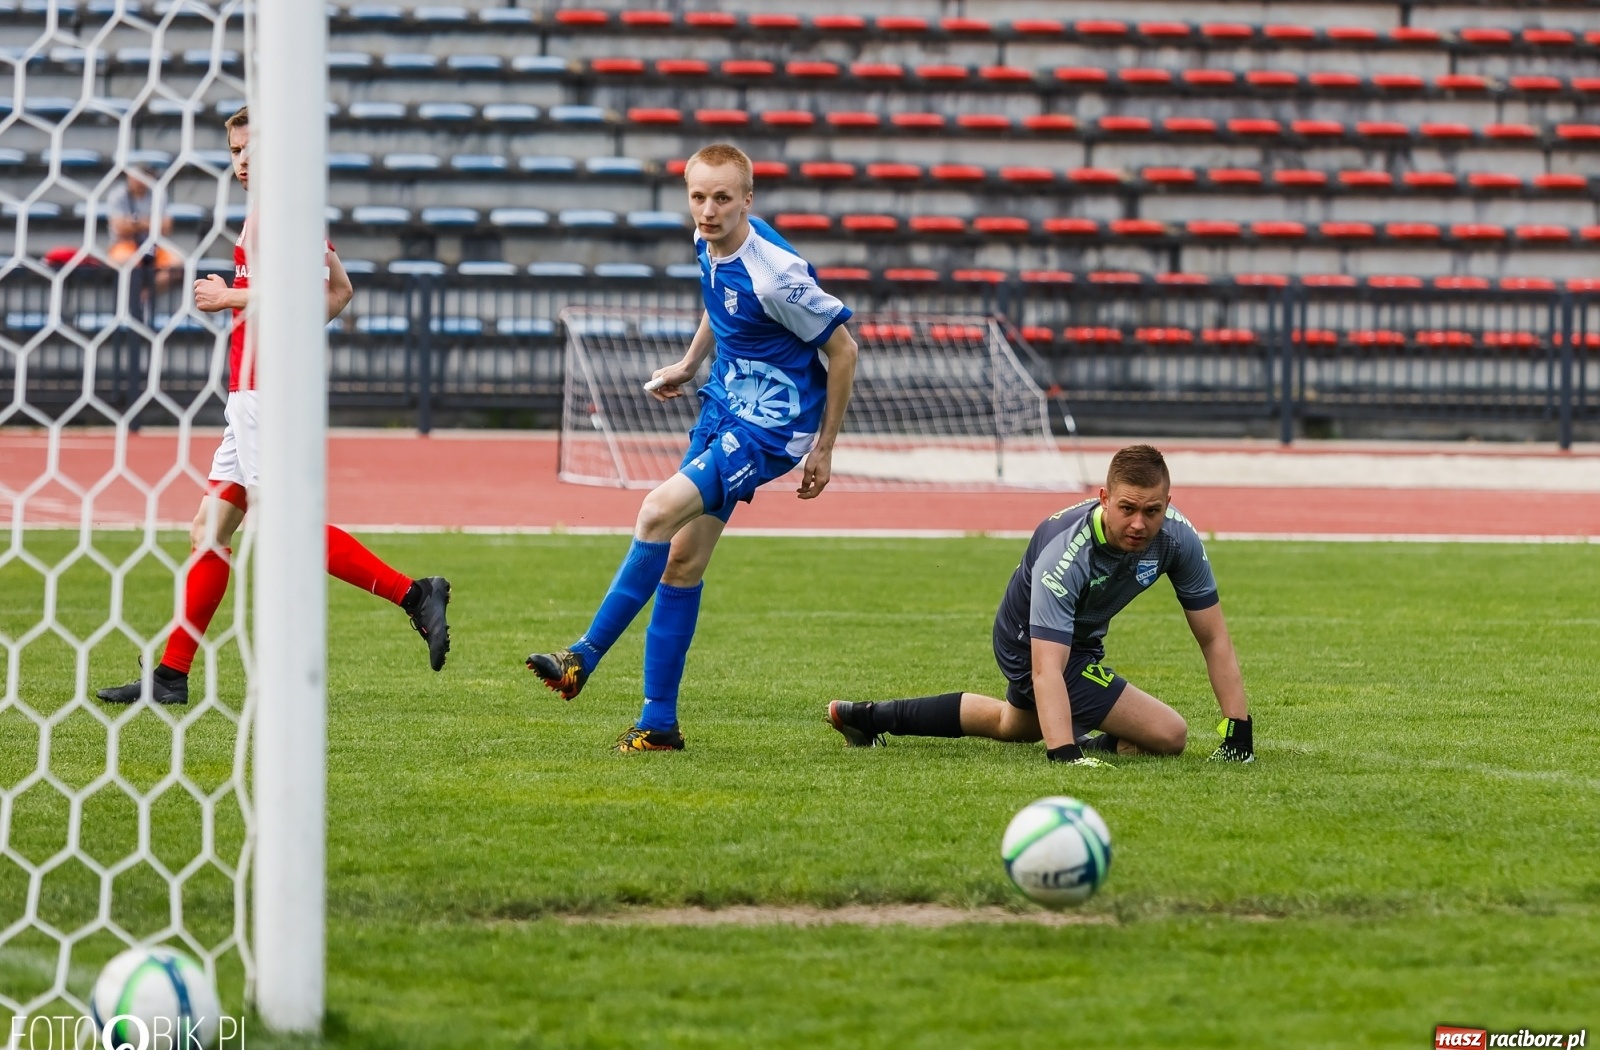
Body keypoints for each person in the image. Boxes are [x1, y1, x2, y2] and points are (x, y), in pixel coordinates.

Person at [97, 106, 452, 707]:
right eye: (234, 153)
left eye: (251, 150)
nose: (241, 163)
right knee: (207, 531)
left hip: (265, 395)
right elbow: (338, 291)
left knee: (285, 530)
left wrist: (227, 295)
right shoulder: (283, 213)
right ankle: (170, 677)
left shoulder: (275, 217)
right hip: (254, 393)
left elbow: (294, 291)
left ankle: (416, 595)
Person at [526, 142, 859, 752]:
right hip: (723, 406)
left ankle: (581, 657)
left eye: (723, 199)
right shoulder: (708, 242)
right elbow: (720, 304)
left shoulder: (777, 272)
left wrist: (824, 448)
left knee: (654, 511)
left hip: (769, 428)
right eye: (698, 197)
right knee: (682, 561)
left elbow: (844, 350)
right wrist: (688, 363)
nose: (708, 210)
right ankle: (659, 724)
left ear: (747, 200)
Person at [826, 445, 1255, 764]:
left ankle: (865, 717)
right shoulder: (1067, 553)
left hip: (1078, 642)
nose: (1139, 523)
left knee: (1009, 726)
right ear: (1104, 498)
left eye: (1152, 510)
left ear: (1167, 504)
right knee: (1169, 734)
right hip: (1025, 641)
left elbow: (1213, 637)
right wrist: (1065, 754)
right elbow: (1046, 668)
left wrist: (1238, 732)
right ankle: (1087, 738)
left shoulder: (1178, 539)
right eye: (1127, 508)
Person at [106, 169, 180, 288]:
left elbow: (166, 227)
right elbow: (120, 228)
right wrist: (151, 224)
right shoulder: (118, 195)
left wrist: (134, 222)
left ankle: (148, 292)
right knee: (128, 262)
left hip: (155, 245)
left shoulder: (158, 193)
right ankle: (135, 299)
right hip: (125, 244)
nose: (137, 180)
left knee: (177, 265)